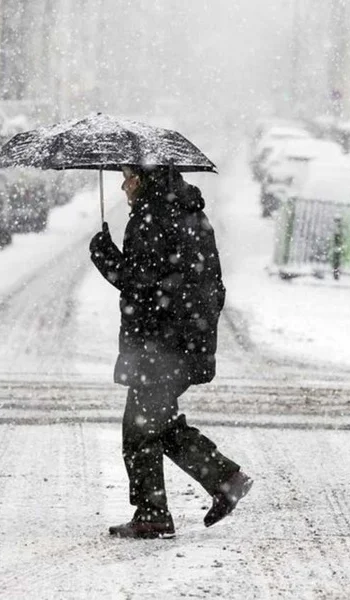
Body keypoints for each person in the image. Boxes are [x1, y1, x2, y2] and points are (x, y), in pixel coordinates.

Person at [89, 165, 253, 540]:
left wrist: (105, 257)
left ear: (146, 179)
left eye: (129, 176)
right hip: (185, 340)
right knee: (156, 424)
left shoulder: (151, 218)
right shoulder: (190, 213)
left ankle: (156, 512)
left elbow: (140, 286)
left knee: (140, 429)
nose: (123, 184)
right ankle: (222, 479)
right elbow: (204, 282)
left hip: (160, 344)